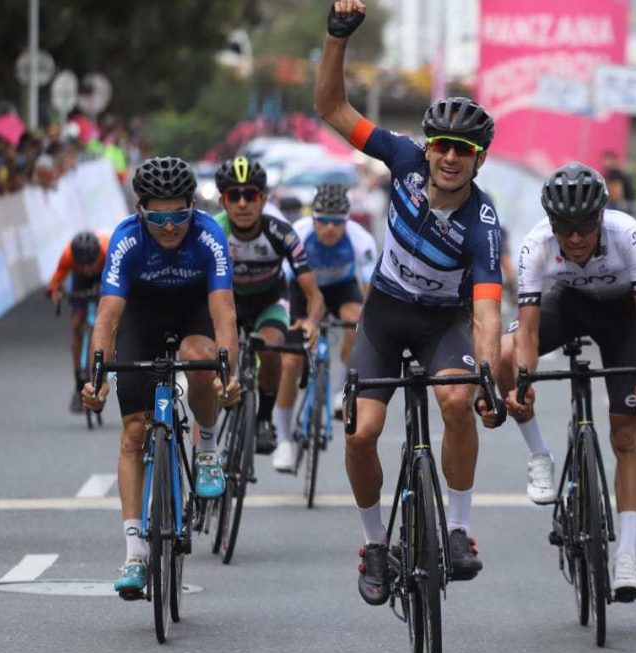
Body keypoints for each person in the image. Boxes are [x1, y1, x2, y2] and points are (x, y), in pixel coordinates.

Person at [316, 0, 506, 606]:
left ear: (479, 159)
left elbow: (484, 311)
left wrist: (485, 377)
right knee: (361, 434)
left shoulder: (482, 221)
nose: (450, 157)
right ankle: (375, 543)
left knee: (455, 398)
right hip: (384, 315)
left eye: (464, 150)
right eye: (443, 145)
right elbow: (331, 109)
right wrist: (337, 37)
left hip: (441, 326)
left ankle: (457, 530)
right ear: (428, 147)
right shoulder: (399, 158)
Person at [497, 162, 636, 602]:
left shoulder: (628, 234)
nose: (574, 239)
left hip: (621, 316)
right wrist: (523, 382)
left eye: (584, 228)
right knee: (503, 352)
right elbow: (529, 332)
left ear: (600, 219)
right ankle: (539, 453)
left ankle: (626, 554)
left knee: (626, 435)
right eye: (564, 229)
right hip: (567, 305)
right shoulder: (536, 245)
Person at [80, 156, 241, 598]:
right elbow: (108, 317)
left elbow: (224, 311)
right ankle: (135, 552)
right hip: (142, 319)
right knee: (134, 431)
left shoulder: (209, 235)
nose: (169, 227)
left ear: (193, 207)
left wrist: (229, 369)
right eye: (158, 217)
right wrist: (95, 374)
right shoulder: (127, 241)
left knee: (201, 357)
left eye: (179, 216)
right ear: (140, 213)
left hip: (194, 313)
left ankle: (206, 449)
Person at [213, 156, 324, 455]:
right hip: (228, 303)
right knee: (217, 357)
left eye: (250, 195)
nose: (242, 204)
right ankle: (207, 446)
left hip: (269, 301)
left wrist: (312, 322)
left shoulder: (282, 233)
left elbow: (313, 293)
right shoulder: (213, 233)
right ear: (223, 201)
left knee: (272, 347)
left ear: (262, 199)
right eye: (233, 196)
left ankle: (264, 419)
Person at [272, 182, 376, 471]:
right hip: (300, 290)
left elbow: (370, 289)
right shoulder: (299, 234)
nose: (329, 229)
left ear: (347, 220)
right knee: (290, 361)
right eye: (323, 221)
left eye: (337, 222)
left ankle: (340, 388)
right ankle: (283, 441)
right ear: (313, 217)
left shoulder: (360, 239)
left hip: (342, 288)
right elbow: (279, 282)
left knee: (356, 321)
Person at [46, 230, 111, 412]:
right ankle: (78, 380)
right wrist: (56, 293)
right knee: (76, 325)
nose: (87, 268)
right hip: (80, 282)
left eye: (90, 264)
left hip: (105, 275)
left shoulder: (108, 251)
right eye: (82, 265)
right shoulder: (68, 256)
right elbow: (54, 283)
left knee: (109, 316)